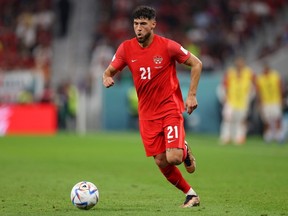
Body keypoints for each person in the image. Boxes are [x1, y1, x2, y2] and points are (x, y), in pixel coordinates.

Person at [102, 6, 202, 208]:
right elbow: (109, 71)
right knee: (160, 161)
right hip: (147, 115)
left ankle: (183, 148)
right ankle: (191, 195)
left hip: (169, 108)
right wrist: (106, 77)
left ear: (153, 25)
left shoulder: (167, 46)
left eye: (143, 24)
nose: (138, 28)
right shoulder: (126, 48)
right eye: (135, 24)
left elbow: (196, 63)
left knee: (173, 157)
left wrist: (191, 95)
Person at [219, 57, 255, 145]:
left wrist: (249, 99)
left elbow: (252, 88)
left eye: (241, 62)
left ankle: (239, 137)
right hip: (230, 100)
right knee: (227, 119)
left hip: (243, 101)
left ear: (244, 63)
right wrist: (224, 97)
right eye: (238, 62)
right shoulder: (230, 72)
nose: (239, 64)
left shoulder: (249, 73)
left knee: (241, 120)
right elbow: (224, 86)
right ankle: (226, 137)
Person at [256, 63, 284, 142]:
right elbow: (259, 92)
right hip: (266, 101)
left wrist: (281, 99)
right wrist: (260, 102)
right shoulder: (260, 78)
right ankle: (268, 135)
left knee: (277, 117)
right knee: (266, 119)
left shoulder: (275, 76)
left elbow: (280, 88)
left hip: (275, 100)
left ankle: (279, 135)